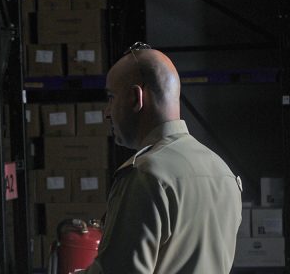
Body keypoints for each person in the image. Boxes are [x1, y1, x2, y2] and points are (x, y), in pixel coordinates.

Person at [76, 43, 242, 273]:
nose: (107, 111)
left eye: (111, 98)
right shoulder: (223, 173)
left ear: (136, 97)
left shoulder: (146, 174)